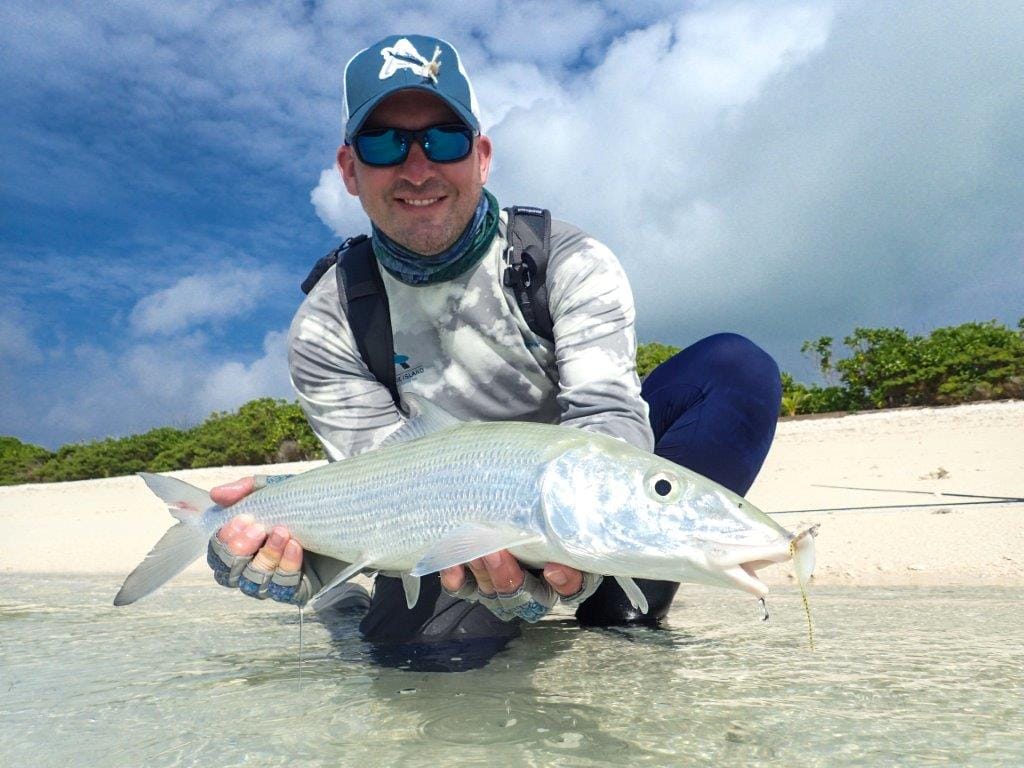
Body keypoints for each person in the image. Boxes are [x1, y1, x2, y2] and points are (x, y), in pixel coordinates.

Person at [207, 34, 782, 649]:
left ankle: (622, 605)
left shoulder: (567, 260)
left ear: (481, 156)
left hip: (564, 483)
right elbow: (378, 489)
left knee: (735, 369)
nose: (418, 167)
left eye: (444, 140)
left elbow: (607, 414)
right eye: (384, 143)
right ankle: (375, 610)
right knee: (422, 664)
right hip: (441, 513)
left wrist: (575, 544)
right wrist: (282, 544)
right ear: (350, 170)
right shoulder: (328, 323)